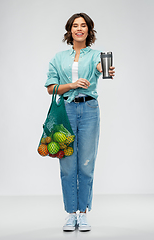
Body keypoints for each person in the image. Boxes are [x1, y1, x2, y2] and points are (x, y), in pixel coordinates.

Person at [45, 13, 115, 232]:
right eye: (75, 25)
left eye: (83, 25)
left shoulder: (95, 56)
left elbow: (101, 69)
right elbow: (50, 88)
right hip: (65, 111)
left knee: (86, 164)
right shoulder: (58, 58)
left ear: (88, 30)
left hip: (89, 109)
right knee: (67, 165)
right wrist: (72, 85)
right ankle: (70, 213)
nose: (79, 29)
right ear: (70, 30)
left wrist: (105, 70)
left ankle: (82, 213)